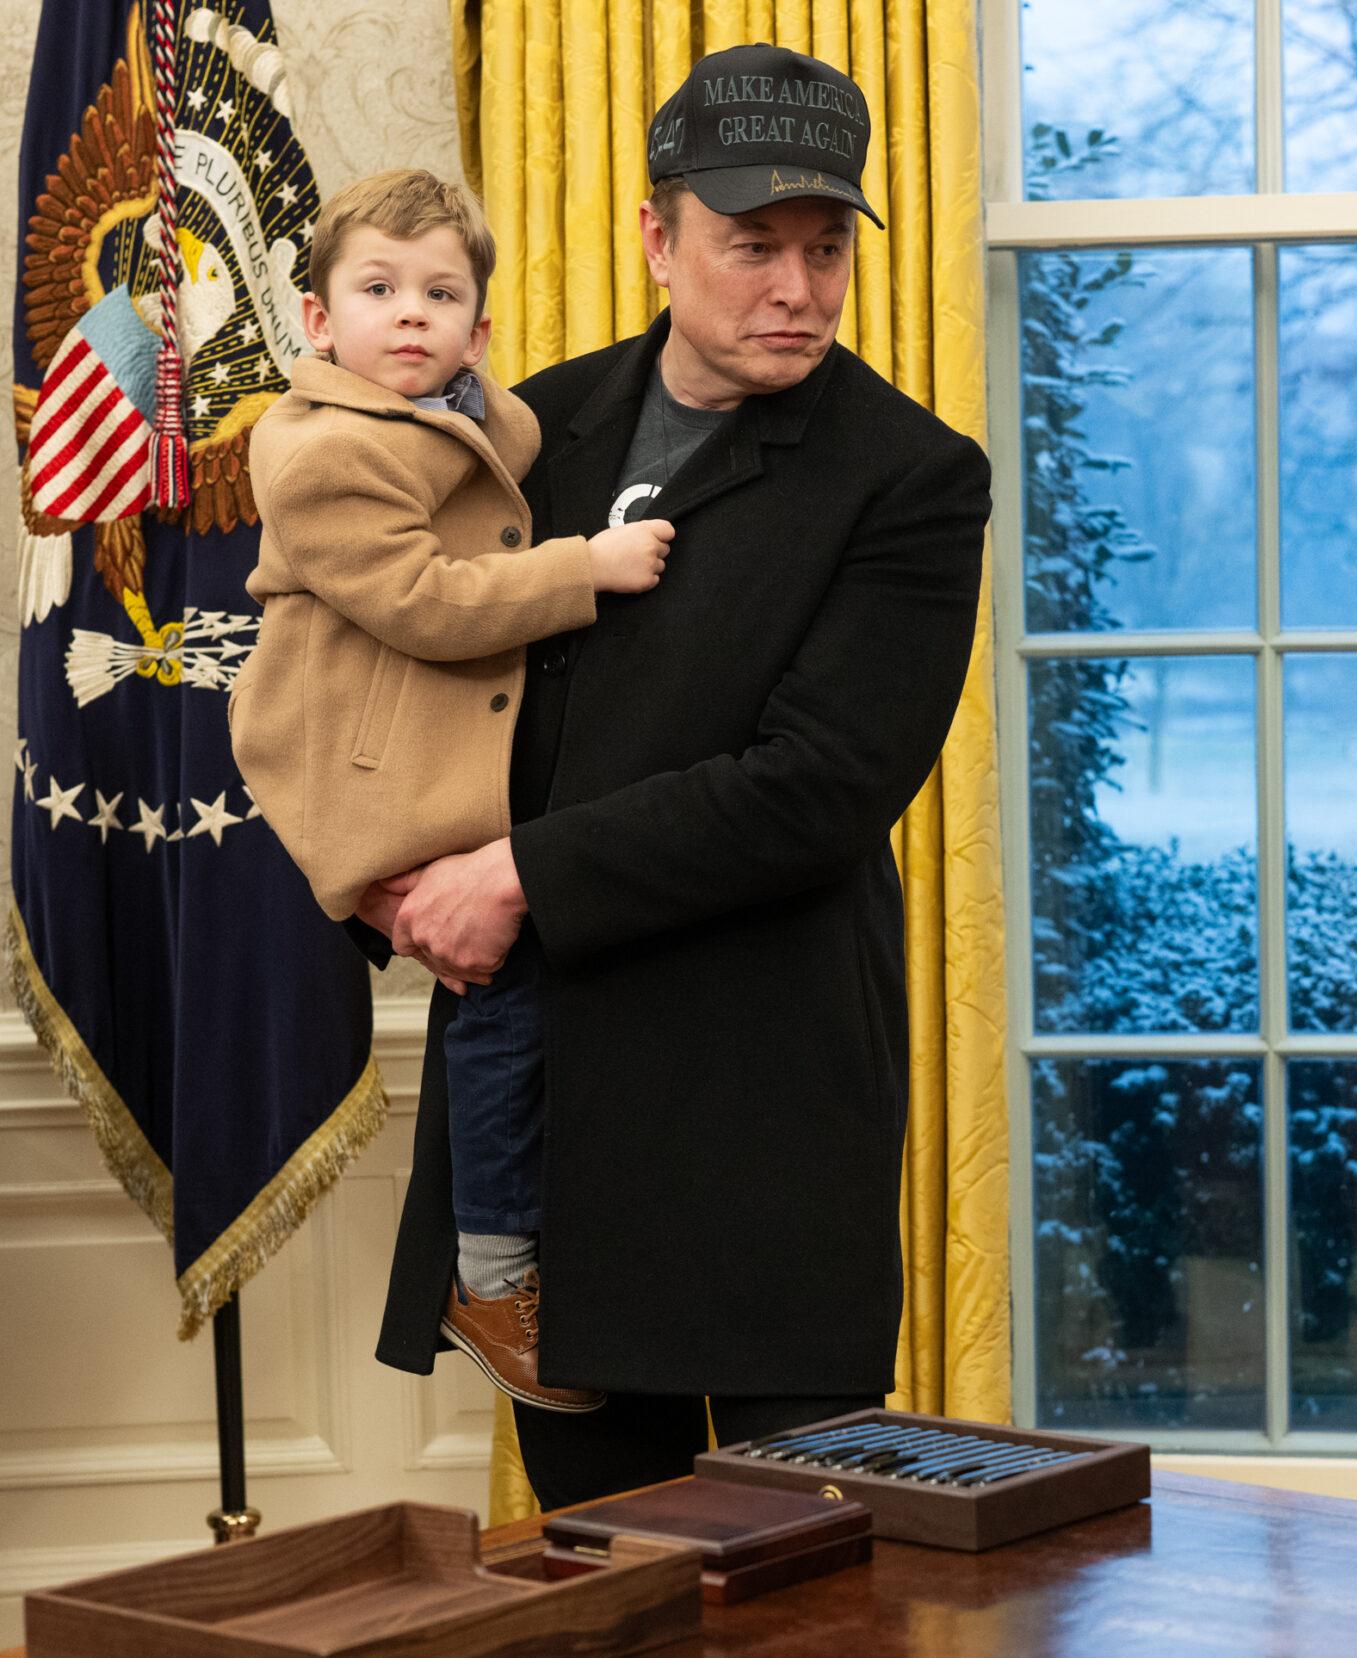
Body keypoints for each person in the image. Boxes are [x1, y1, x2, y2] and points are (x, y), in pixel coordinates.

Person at [354, 43, 991, 1507]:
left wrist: (511, 874)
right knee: (599, 1579)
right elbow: (402, 665)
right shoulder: (518, 430)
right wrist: (385, 876)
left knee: (808, 1583)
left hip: (765, 1105)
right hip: (551, 1110)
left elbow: (817, 787)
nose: (797, 287)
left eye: (826, 249)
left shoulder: (912, 474)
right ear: (657, 235)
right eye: (751, 244)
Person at [232, 168, 678, 1416]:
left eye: (442, 294)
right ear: (317, 322)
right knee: (500, 998)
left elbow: (514, 441)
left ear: (480, 330)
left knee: (530, 994)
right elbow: (425, 603)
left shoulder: (444, 413)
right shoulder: (321, 448)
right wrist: (582, 566)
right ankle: (489, 1273)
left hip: (423, 755)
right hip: (363, 762)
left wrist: (479, 395)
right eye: (377, 290)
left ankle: (523, 1253)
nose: (410, 316)